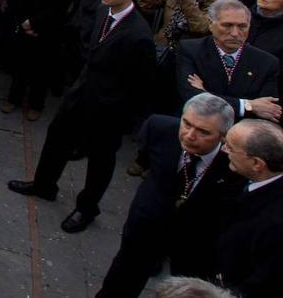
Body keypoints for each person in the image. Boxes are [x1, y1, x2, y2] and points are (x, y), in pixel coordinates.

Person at [9, 0, 156, 233]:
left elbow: (139, 86)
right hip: (81, 94)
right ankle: (44, 185)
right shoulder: (103, 12)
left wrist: (121, 121)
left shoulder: (139, 35)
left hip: (108, 109)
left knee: (100, 161)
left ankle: (87, 208)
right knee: (57, 137)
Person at [97, 94, 242, 297]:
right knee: (119, 284)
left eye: (203, 132)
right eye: (187, 123)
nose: (189, 135)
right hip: (146, 226)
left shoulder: (235, 162)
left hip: (195, 241)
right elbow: (146, 156)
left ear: (224, 136)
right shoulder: (160, 127)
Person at [175, 0, 281, 121]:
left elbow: (268, 110)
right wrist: (248, 105)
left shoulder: (267, 62)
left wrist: (206, 94)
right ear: (210, 24)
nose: (235, 33)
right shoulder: (191, 50)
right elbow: (192, 97)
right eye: (227, 25)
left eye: (242, 26)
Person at [216, 119, 283, 297]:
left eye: (230, 148)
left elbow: (264, 280)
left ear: (257, 164)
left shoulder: (275, 224)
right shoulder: (248, 176)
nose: (223, 150)